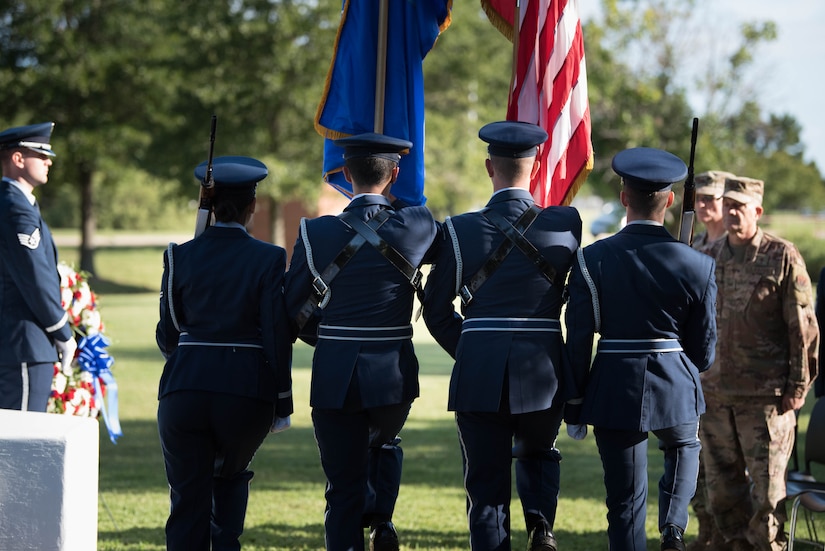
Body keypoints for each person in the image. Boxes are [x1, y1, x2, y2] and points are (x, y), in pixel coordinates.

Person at [421, 121, 582, 551]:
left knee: (486, 486)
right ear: (537, 164)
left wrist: (473, 350)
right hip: (544, 368)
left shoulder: (458, 229)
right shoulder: (566, 222)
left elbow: (435, 311)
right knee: (540, 453)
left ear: (489, 166)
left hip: (480, 373)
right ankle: (541, 524)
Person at [283, 133, 438, 551]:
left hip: (336, 374)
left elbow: (292, 307)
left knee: (342, 490)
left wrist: (329, 335)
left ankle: (369, 515)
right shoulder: (420, 223)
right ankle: (382, 518)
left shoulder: (315, 232)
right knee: (384, 441)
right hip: (393, 376)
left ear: (345, 173)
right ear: (397, 174)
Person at [563, 147, 718, 551]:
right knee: (684, 446)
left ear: (623, 197)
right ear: (669, 201)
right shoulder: (698, 265)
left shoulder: (590, 259)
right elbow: (703, 353)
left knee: (625, 502)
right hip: (676, 381)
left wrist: (575, 403)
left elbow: (578, 339)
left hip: (615, 384)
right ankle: (673, 530)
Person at [155, 156, 293, 551]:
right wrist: (282, 402)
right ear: (253, 206)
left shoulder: (178, 255)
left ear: (209, 205)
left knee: (187, 500)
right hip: (245, 393)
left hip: (185, 390)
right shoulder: (268, 257)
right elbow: (274, 333)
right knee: (228, 483)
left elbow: (168, 334)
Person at [701, 176, 819, 551]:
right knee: (721, 487)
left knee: (767, 493)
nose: (733, 212)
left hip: (766, 396)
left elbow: (802, 328)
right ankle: (732, 545)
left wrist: (798, 387)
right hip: (716, 393)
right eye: (729, 204)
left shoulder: (781, 255)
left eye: (741, 206)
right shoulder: (710, 256)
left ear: (757, 211)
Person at [0, 121, 77, 412]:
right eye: (40, 155)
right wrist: (62, 332)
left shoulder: (18, 204)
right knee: (15, 447)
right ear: (18, 159)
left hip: (21, 343)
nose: (48, 161)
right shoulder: (14, 208)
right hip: (23, 344)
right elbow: (35, 277)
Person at [687, 169, 734, 551]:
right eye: (699, 199)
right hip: (699, 373)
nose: (703, 206)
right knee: (698, 465)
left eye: (711, 199)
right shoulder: (692, 247)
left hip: (736, 374)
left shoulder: (739, 249)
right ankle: (706, 531)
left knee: (731, 466)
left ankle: (731, 536)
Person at [691, 170, 735, 252]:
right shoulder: (694, 243)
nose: (700, 205)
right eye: (696, 198)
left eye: (708, 198)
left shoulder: (736, 245)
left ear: (727, 201)